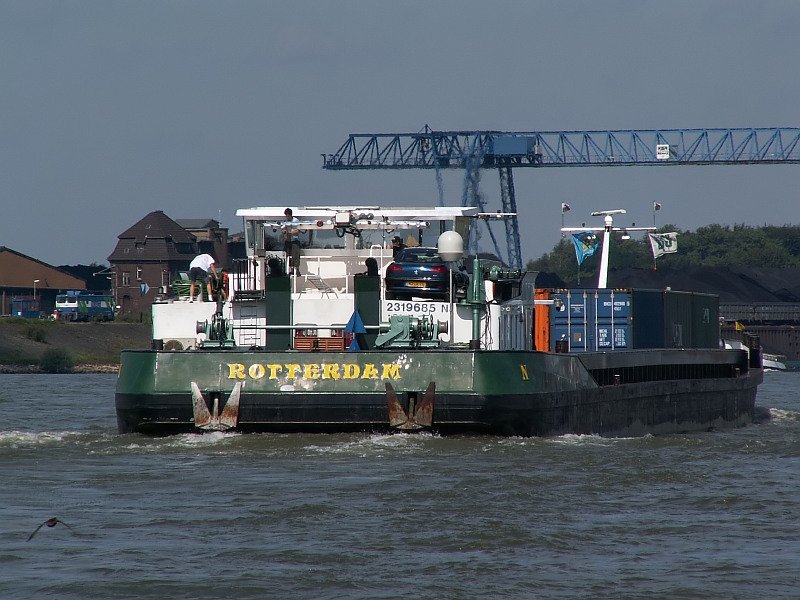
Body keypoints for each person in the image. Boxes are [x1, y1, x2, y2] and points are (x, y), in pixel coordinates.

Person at [282, 208, 302, 275]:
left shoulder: (296, 220)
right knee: (287, 255)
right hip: (288, 241)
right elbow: (283, 228)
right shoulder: (286, 221)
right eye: (286, 216)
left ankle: (297, 269)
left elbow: (298, 230)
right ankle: (290, 269)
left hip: (295, 240)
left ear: (290, 215)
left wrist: (290, 233)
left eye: (288, 216)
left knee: (295, 255)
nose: (287, 217)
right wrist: (284, 231)